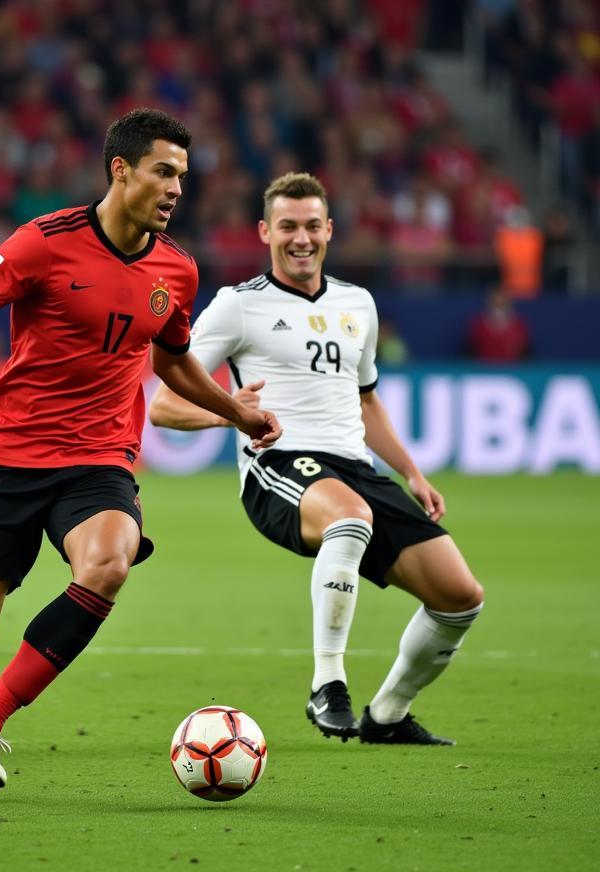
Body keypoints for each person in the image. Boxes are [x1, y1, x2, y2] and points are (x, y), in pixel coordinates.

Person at [0, 108, 282, 801]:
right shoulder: (44, 242)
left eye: (182, 175)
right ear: (121, 170)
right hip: (10, 453)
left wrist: (235, 410)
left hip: (99, 458)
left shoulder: (176, 270)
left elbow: (175, 364)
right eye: (163, 171)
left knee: (111, 560)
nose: (177, 187)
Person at [149, 171, 484, 746]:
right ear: (264, 232)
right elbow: (164, 406)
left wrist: (411, 472)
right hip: (277, 465)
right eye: (287, 227)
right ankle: (327, 683)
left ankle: (388, 715)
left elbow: (367, 400)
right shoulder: (237, 306)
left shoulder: (359, 304)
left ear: (329, 229)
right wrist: (234, 412)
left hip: (355, 470)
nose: (300, 238)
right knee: (350, 516)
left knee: (460, 598)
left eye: (310, 226)